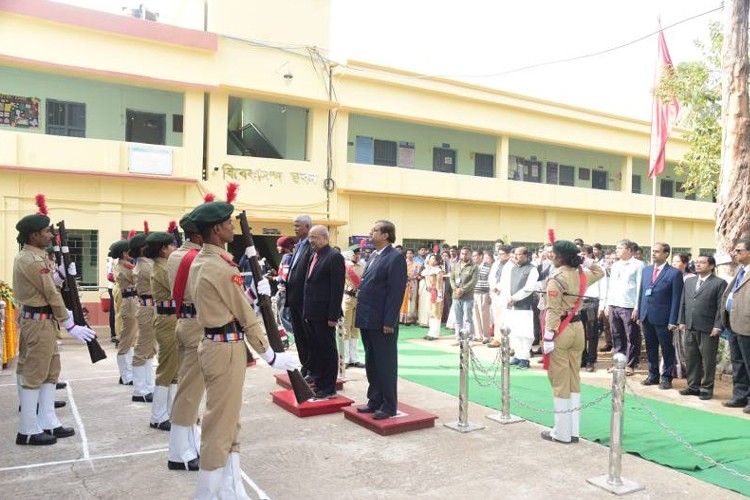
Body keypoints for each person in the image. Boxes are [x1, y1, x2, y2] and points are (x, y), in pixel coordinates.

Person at [187, 199, 298, 498]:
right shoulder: (221, 267)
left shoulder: (205, 261)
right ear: (215, 229)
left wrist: (251, 291)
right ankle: (207, 494)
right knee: (219, 427)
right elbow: (244, 315)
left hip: (219, 344)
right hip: (225, 348)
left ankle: (231, 490)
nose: (231, 228)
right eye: (227, 224)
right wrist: (269, 353)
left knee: (228, 422)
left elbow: (227, 302)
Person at [14, 201, 95, 445]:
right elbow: (50, 294)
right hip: (38, 322)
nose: (50, 235)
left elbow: (51, 285)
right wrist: (69, 324)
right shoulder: (32, 260)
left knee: (50, 373)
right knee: (33, 374)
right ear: (34, 235)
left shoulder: (38, 258)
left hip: (45, 322)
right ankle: (27, 429)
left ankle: (47, 420)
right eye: (47, 232)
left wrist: (61, 272)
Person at [541, 240, 603, 444]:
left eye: (554, 254)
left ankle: (561, 432)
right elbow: (600, 270)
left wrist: (549, 336)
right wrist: (583, 260)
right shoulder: (581, 274)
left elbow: (553, 310)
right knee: (573, 376)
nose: (552, 257)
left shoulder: (556, 279)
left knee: (559, 379)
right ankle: (573, 430)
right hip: (578, 328)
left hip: (561, 329)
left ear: (560, 258)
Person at [355, 220, 407, 420]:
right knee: (372, 362)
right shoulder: (374, 256)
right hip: (367, 318)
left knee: (385, 364)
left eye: (375, 230)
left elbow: (395, 293)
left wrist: (389, 321)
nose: (370, 232)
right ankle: (374, 400)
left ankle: (388, 405)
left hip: (382, 321)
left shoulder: (395, 258)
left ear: (385, 235)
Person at [166, 214, 203, 471]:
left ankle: (187, 444)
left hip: (183, 322)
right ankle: (181, 453)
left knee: (186, 388)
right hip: (197, 325)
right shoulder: (198, 258)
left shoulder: (175, 255)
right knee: (190, 392)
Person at [302, 226, 345, 399]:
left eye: (313, 237)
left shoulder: (334, 257)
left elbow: (337, 289)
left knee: (327, 351)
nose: (310, 241)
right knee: (316, 349)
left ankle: (329, 388)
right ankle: (319, 384)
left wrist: (332, 316)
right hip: (311, 313)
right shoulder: (315, 255)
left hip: (325, 314)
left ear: (323, 237)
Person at [678, 255, 727, 400]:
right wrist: (681, 320)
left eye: (702, 262)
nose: (698, 265)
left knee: (707, 359)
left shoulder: (719, 283)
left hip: (708, 328)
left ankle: (706, 388)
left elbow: (721, 307)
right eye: (697, 262)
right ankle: (693, 386)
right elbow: (683, 302)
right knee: (691, 357)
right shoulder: (689, 281)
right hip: (690, 325)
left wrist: (718, 326)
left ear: (711, 266)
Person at [637, 243, 684, 390]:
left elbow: (677, 299)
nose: (653, 254)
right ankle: (653, 374)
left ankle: (666, 377)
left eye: (657, 252)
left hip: (664, 319)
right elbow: (641, 293)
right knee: (650, 347)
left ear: (666, 254)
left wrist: (673, 320)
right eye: (653, 251)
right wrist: (640, 313)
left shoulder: (674, 273)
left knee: (666, 349)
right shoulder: (646, 271)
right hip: (647, 316)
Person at [145, 231, 179, 431]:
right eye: (171, 246)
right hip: (167, 320)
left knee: (175, 369)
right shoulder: (163, 268)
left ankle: (171, 411)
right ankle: (158, 416)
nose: (173, 249)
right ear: (164, 249)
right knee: (167, 368)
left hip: (171, 318)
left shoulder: (163, 266)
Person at [605, 239, 643, 375]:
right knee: (616, 335)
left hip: (629, 305)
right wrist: (607, 304)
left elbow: (640, 287)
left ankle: (631, 364)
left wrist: (637, 307)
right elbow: (611, 286)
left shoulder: (638, 265)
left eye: (620, 248)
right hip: (614, 304)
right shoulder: (615, 265)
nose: (617, 250)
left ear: (629, 250)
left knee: (631, 335)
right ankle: (618, 363)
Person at [720, 238, 750, 412]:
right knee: (737, 362)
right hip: (732, 322)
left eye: (739, 251)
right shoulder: (740, 270)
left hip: (746, 324)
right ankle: (740, 396)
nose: (735, 254)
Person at [500, 247, 539, 369]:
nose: (516, 257)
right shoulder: (512, 268)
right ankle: (517, 355)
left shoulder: (532, 269)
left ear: (526, 255)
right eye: (515, 254)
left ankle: (525, 358)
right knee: (514, 332)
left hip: (524, 306)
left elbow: (529, 288)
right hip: (511, 306)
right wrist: (507, 297)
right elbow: (505, 285)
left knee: (525, 333)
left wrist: (515, 298)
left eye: (519, 254)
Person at [130, 229, 156, 403]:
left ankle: (148, 385)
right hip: (148, 308)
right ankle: (139, 390)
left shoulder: (146, 263)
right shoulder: (145, 265)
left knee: (150, 349)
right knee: (142, 349)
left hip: (150, 308)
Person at [287, 215, 314, 378]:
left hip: (305, 301)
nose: (295, 228)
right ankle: (305, 365)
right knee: (298, 336)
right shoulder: (298, 246)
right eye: (294, 226)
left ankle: (312, 368)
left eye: (298, 226)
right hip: (294, 300)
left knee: (308, 337)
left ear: (307, 226)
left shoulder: (311, 246)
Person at [112, 237, 139, 388]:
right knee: (126, 340)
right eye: (129, 252)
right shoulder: (124, 268)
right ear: (124, 253)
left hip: (132, 302)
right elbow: (137, 278)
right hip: (129, 303)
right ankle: (125, 375)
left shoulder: (126, 266)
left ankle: (127, 373)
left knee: (131, 338)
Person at [341, 248, 366, 368]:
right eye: (355, 254)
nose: (357, 256)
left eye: (358, 254)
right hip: (347, 298)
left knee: (356, 328)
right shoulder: (345, 266)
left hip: (359, 299)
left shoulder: (363, 266)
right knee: (346, 328)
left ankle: (354, 358)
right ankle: (345, 359)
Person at [449, 247, 479, 344]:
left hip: (467, 297)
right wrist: (455, 289)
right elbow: (451, 279)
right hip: (456, 296)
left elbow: (473, 281)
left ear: (470, 255)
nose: (464, 255)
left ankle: (468, 338)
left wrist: (463, 289)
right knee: (458, 319)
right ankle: (458, 338)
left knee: (468, 319)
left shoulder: (474, 267)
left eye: (466, 254)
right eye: (462, 253)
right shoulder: (456, 265)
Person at [422, 253, 445, 340]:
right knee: (430, 312)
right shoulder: (427, 270)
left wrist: (438, 294)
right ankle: (431, 332)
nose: (431, 260)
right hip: (429, 292)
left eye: (433, 259)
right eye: (430, 258)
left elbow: (439, 283)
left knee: (436, 312)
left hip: (435, 292)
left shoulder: (438, 270)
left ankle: (435, 333)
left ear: (436, 261)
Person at [399, 249, 420, 325]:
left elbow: (418, 274)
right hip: (404, 283)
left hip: (413, 283)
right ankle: (402, 318)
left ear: (413, 254)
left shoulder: (417, 264)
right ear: (406, 254)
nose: (409, 254)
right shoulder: (402, 263)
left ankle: (410, 318)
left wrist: (413, 277)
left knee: (412, 300)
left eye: (411, 253)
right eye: (408, 253)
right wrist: (406, 277)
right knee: (403, 299)